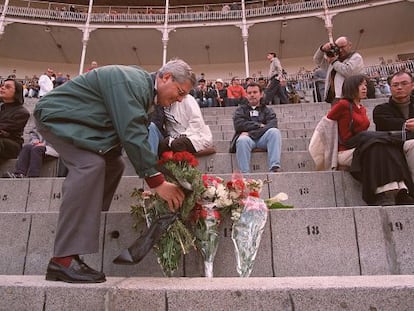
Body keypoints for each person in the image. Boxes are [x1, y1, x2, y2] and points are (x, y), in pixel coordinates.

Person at [33, 59, 196, 283]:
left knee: (114, 164)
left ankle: (80, 230)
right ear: (165, 77)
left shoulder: (144, 93)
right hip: (57, 116)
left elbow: (134, 134)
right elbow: (131, 133)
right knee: (90, 165)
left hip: (81, 123)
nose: (179, 99)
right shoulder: (134, 83)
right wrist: (156, 182)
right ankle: (62, 261)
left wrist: (161, 174)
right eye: (180, 92)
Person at [327, 74, 414, 206]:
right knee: (377, 146)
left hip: (362, 144)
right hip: (347, 148)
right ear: (351, 87)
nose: (364, 88)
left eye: (365, 85)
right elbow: (327, 123)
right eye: (360, 85)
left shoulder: (362, 108)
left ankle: (402, 191)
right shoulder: (343, 104)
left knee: (387, 145)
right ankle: (378, 193)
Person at [230, 82, 282, 173]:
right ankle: (245, 174)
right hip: (247, 140)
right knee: (242, 140)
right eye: (249, 93)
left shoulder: (268, 110)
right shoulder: (240, 110)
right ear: (246, 95)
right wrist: (258, 125)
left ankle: (274, 168)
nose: (252, 95)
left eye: (255, 92)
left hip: (262, 139)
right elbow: (239, 125)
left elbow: (272, 124)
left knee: (274, 132)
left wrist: (251, 133)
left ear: (261, 94)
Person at [373, 71, 414, 181]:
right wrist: (407, 125)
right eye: (395, 85)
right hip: (394, 149)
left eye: (404, 83)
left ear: (412, 85)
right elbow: (389, 126)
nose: (399, 88)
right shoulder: (380, 110)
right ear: (390, 88)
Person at [313, 36, 364, 104]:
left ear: (350, 45)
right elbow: (317, 60)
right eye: (338, 48)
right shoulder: (335, 61)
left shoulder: (356, 57)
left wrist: (334, 61)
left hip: (351, 97)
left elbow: (348, 71)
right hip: (335, 98)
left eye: (342, 47)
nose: (340, 50)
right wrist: (322, 49)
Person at [0, 79, 30, 163]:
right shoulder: (1, 107)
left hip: (11, 145)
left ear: (17, 92)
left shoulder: (22, 112)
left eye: (7, 87)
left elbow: (4, 129)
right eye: (2, 86)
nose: (2, 88)